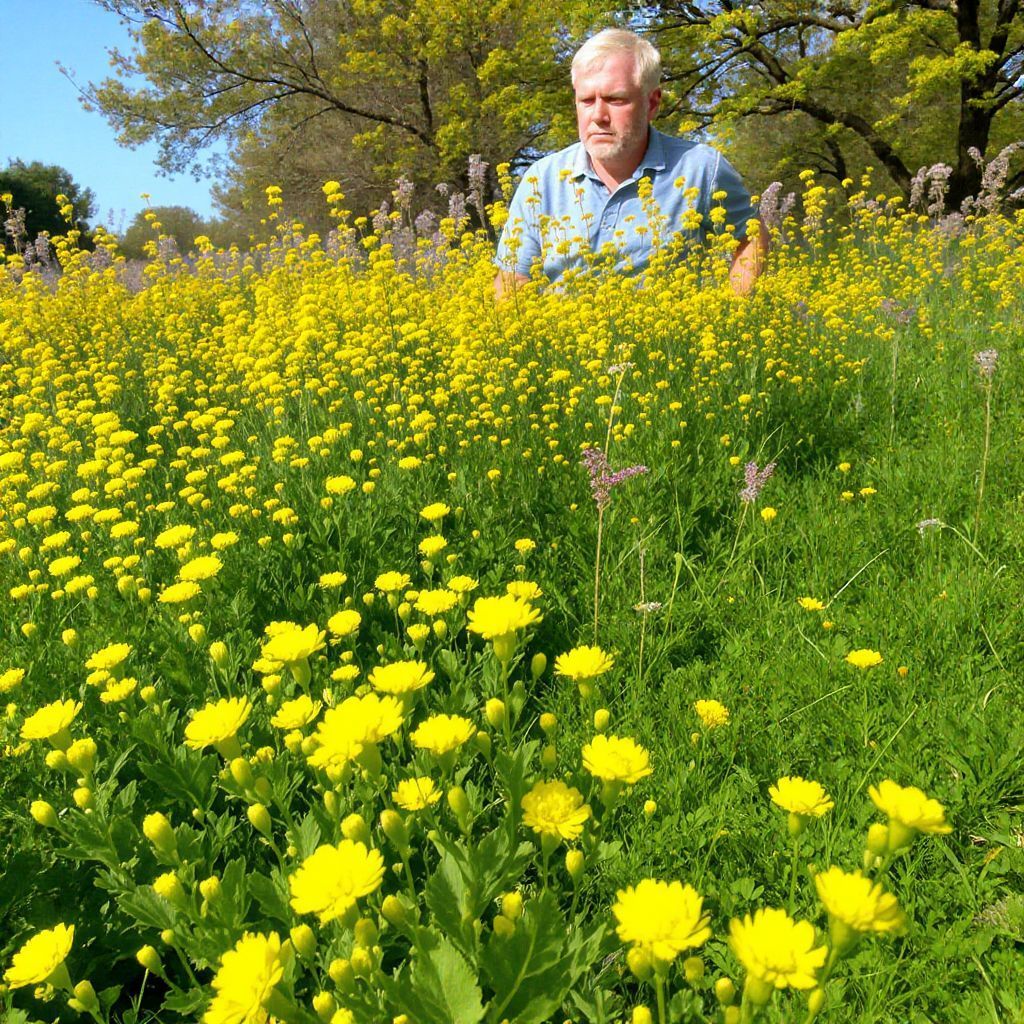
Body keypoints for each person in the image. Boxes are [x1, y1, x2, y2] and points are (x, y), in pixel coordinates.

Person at [494, 28, 769, 298]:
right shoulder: (541, 180)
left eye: (616, 100)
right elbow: (513, 279)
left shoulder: (700, 169)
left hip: (669, 341)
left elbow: (752, 237)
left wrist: (735, 307)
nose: (599, 115)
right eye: (587, 101)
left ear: (652, 103)